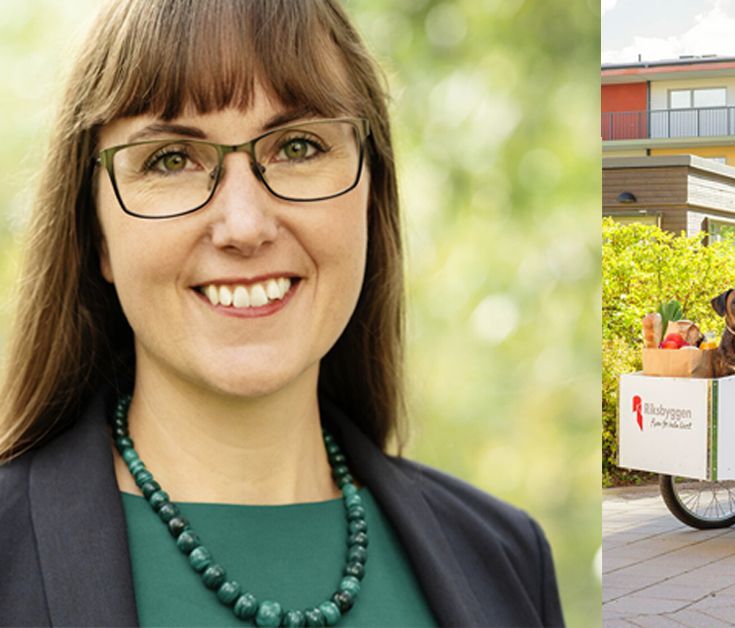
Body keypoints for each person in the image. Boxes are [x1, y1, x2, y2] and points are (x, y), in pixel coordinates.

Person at [0, 1, 564, 625]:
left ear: (372, 202)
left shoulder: (506, 559)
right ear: (96, 232)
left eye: (298, 146)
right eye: (170, 159)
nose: (244, 225)